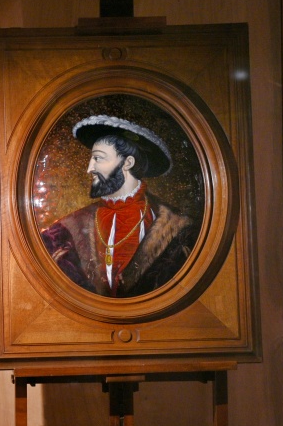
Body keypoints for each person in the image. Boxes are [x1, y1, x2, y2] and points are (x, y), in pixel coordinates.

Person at [40, 115, 199, 298]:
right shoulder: (63, 232)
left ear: (128, 163)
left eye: (98, 158)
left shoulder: (179, 229)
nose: (90, 168)